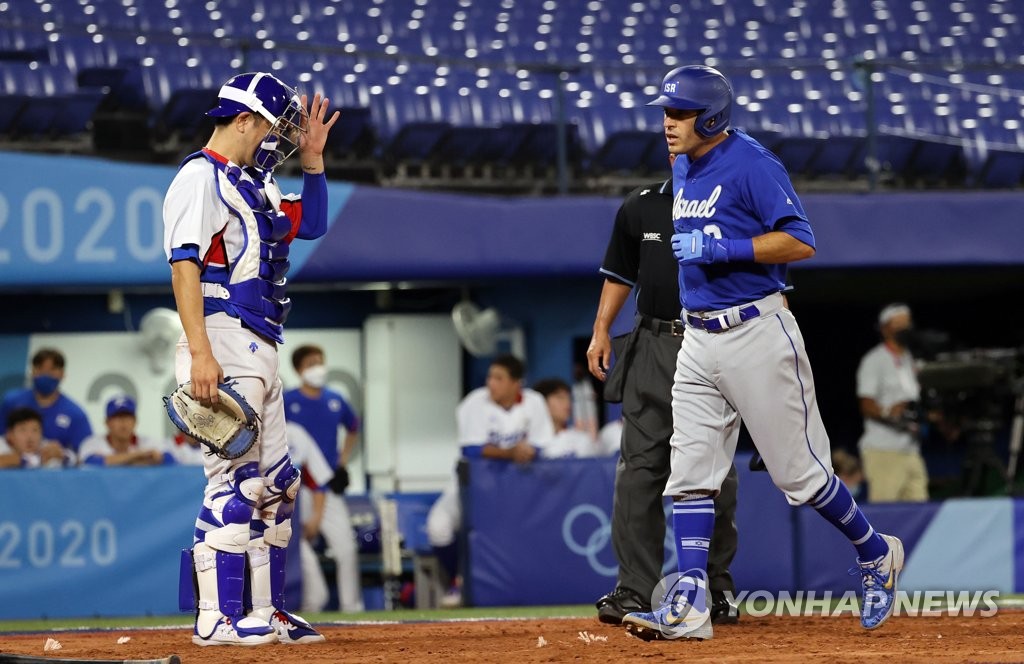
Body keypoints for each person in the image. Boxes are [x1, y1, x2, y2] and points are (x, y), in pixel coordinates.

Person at [621, 65, 904, 641]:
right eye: (667, 112)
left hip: (756, 330)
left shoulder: (752, 163)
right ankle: (692, 602)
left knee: (797, 476)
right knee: (690, 469)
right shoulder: (682, 162)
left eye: (679, 114)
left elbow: (801, 238)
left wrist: (724, 246)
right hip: (697, 336)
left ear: (712, 118)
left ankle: (876, 551)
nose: (668, 123)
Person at [163, 71, 339, 646]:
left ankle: (267, 610)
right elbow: (184, 264)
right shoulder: (199, 176)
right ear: (243, 119)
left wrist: (312, 163)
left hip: (261, 340)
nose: (274, 138)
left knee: (279, 485)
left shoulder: (251, 182)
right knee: (233, 484)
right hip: (221, 333)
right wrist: (199, 352)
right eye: (269, 126)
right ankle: (215, 618)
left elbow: (308, 223)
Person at [585, 156, 739, 625]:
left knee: (714, 474)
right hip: (652, 343)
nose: (678, 148)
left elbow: (767, 281)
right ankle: (634, 590)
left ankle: (715, 590)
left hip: (714, 340)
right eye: (670, 133)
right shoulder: (642, 205)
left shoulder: (732, 203)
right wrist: (600, 330)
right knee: (639, 468)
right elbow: (620, 273)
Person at [426, 354, 554, 607]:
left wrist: (529, 451)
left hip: (518, 488)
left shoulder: (534, 402)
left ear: (516, 383)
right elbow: (470, 449)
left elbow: (543, 444)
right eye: (490, 376)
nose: (491, 383)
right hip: (470, 486)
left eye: (499, 378)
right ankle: (457, 581)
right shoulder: (475, 402)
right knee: (437, 527)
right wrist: (512, 452)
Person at [284, 344, 364, 612]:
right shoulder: (287, 401)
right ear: (298, 370)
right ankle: (307, 607)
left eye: (320, 361)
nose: (317, 368)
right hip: (293, 490)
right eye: (310, 364)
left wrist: (342, 458)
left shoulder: (335, 399)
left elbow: (353, 426)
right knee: (298, 552)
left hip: (325, 486)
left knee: (347, 549)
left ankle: (353, 608)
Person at [856, 303, 929, 502]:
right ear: (885, 328)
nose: (906, 329)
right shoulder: (874, 360)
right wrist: (889, 411)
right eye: (899, 324)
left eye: (907, 323)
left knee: (919, 516)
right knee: (886, 518)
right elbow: (866, 404)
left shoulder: (911, 360)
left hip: (912, 449)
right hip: (883, 450)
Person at [0, 348, 92, 455]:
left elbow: (86, 454)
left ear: (62, 374)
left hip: (55, 469)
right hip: (10, 468)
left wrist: (61, 455)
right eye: (40, 368)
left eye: (52, 369)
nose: (45, 374)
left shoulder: (75, 414)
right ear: (32, 371)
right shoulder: (11, 402)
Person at [78, 396, 174, 466]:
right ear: (107, 423)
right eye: (118, 417)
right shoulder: (92, 443)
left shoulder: (148, 442)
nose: (123, 423)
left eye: (127, 417)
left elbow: (171, 460)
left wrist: (158, 458)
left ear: (135, 421)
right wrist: (138, 456)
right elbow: (91, 462)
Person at [533, 377, 608, 458]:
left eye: (569, 398)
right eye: (560, 398)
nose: (567, 403)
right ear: (541, 402)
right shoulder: (531, 441)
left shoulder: (581, 440)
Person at [0, 408, 69, 469]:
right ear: (9, 434)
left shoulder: (46, 446)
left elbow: (75, 459)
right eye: (23, 430)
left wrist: (62, 456)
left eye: (35, 430)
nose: (30, 437)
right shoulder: (1, 444)